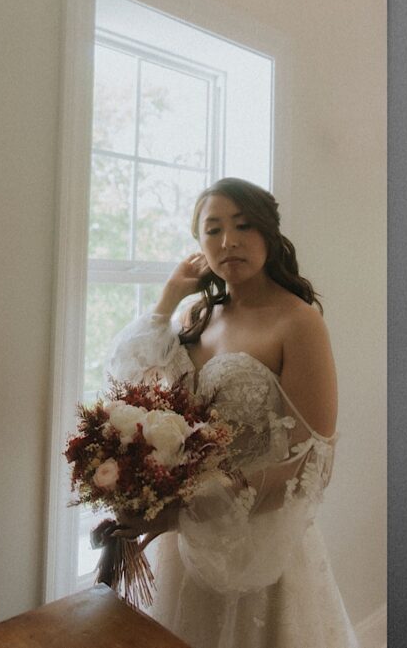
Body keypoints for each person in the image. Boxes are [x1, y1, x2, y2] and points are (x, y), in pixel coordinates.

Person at [105, 177, 359, 648]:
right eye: (213, 230)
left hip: (258, 541)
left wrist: (192, 507)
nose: (229, 241)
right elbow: (130, 384)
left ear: (269, 234)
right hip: (182, 539)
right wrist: (168, 297)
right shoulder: (193, 316)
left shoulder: (298, 322)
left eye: (244, 226)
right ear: (199, 244)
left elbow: (311, 458)